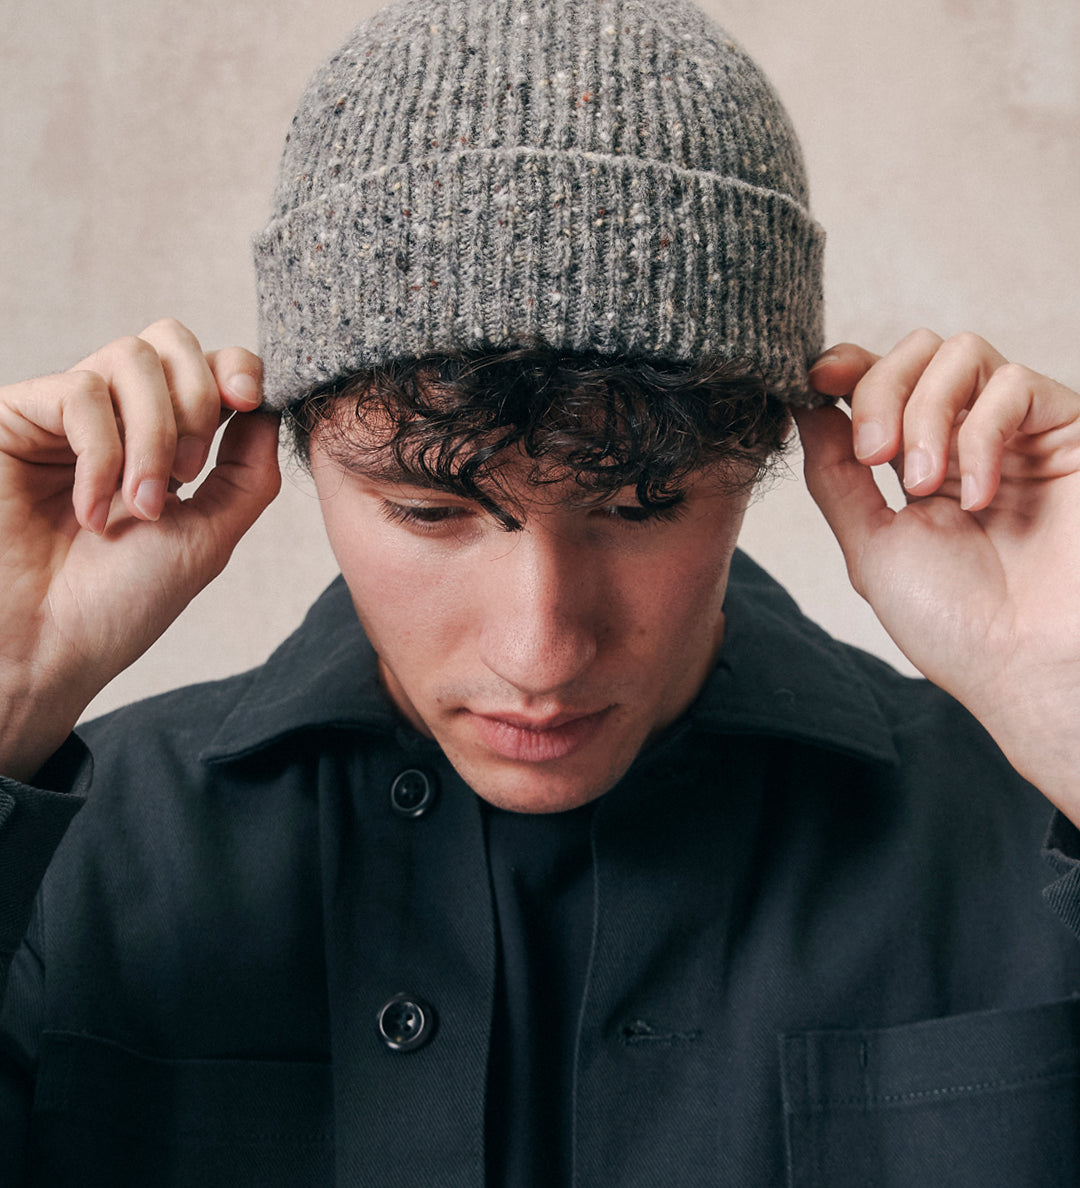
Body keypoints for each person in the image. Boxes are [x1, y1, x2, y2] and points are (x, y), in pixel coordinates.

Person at [3, 0, 1080, 1183]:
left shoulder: (1027, 824)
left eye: (639, 508)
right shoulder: (86, 860)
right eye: (432, 513)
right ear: (294, 451)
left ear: (780, 450)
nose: (541, 650)